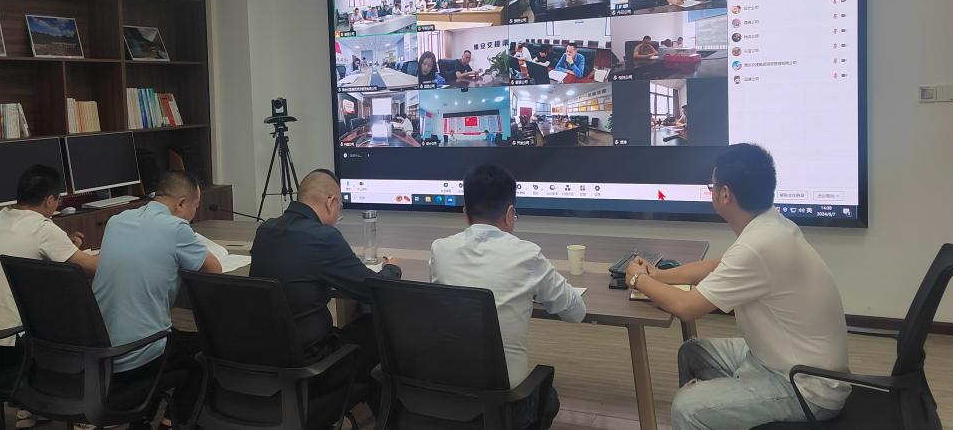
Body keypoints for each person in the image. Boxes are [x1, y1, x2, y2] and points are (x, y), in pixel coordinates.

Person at [624, 144, 849, 429]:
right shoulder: (771, 226)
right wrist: (657, 275)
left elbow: (686, 307)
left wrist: (637, 278)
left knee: (688, 408)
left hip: (805, 386)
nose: (711, 192)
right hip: (777, 360)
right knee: (692, 352)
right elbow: (715, 266)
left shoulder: (759, 245)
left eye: (712, 186)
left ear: (725, 194)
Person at [430, 164, 586, 430]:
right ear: (510, 213)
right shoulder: (527, 255)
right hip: (505, 407)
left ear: (465, 214)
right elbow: (576, 312)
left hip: (445, 399)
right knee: (549, 398)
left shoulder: (439, 250)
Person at [251, 169, 403, 411]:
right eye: (340, 207)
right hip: (312, 367)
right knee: (380, 328)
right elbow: (375, 290)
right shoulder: (323, 236)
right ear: (331, 202)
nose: (338, 215)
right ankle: (386, 416)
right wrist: (392, 269)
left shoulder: (265, 230)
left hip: (267, 359)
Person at [0, 164, 99, 430]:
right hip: (17, 344)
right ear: (50, 200)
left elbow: (28, 256)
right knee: (85, 321)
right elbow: (92, 267)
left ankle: (29, 406)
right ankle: (81, 413)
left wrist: (65, 246)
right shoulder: (42, 228)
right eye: (57, 200)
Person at [92, 171, 221, 426]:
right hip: (138, 354)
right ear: (181, 204)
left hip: (99, 353)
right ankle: (172, 422)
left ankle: (143, 417)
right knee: (206, 351)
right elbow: (213, 270)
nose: (194, 214)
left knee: (176, 337)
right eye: (195, 206)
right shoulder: (175, 228)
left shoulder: (117, 220)